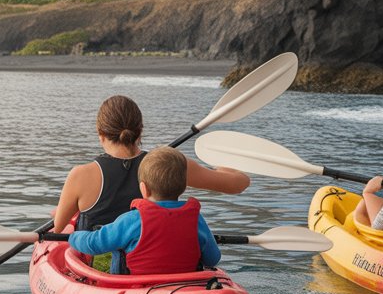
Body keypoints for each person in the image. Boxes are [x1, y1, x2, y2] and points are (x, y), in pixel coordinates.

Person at [52, 94, 250, 233]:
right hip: (159, 266)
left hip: (103, 273)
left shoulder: (81, 175)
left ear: (100, 134)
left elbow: (58, 228)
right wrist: (224, 167)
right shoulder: (169, 163)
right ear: (140, 131)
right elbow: (239, 184)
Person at [67, 146, 221, 276]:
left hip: (136, 290)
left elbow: (94, 244)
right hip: (182, 287)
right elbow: (213, 259)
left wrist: (73, 237)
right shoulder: (196, 220)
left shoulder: (131, 220)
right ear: (183, 187)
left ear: (143, 189)